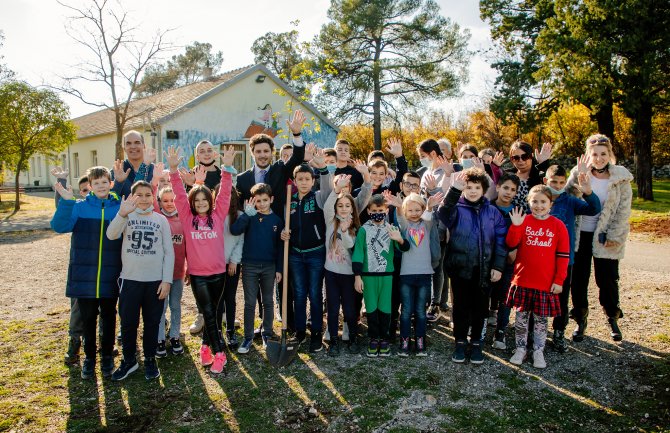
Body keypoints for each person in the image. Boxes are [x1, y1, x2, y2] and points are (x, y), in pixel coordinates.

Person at [167, 145, 237, 374]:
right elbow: (178, 193)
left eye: (204, 200)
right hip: (198, 275)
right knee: (207, 311)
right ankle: (220, 353)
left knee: (215, 313)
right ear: (192, 203)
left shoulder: (218, 216)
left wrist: (226, 168)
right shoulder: (187, 218)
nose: (200, 203)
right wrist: (174, 170)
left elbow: (225, 192)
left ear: (209, 200)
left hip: (218, 273)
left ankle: (205, 347)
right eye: (196, 201)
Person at [51, 166, 122, 380]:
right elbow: (59, 226)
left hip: (111, 276)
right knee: (89, 319)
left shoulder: (119, 208)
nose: (101, 186)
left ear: (111, 184)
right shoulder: (79, 207)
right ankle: (90, 358)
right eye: (96, 183)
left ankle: (107, 357)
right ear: (89, 187)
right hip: (85, 277)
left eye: (104, 182)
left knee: (109, 317)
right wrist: (66, 201)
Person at [566, 134, 632, 342]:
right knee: (579, 278)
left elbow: (623, 210)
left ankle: (612, 316)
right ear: (588, 155)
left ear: (609, 154)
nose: (599, 158)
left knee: (608, 278)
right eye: (595, 154)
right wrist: (580, 180)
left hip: (605, 234)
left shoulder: (620, 177)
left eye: (603, 154)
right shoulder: (578, 173)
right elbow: (566, 197)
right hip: (581, 233)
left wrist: (615, 235)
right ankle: (580, 317)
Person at [437, 169, 507, 364]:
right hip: (459, 268)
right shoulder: (456, 208)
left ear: (484, 190)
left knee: (480, 308)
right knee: (460, 307)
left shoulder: (493, 212)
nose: (473, 191)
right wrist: (453, 190)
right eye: (469, 187)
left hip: (483, 269)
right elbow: (443, 213)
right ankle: (459, 341)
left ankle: (477, 342)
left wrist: (498, 266)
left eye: (477, 187)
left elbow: (501, 241)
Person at [106, 181, 174, 381]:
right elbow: (111, 235)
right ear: (132, 196)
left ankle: (150, 358)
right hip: (130, 280)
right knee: (128, 322)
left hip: (155, 282)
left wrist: (167, 280)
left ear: (153, 196)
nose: (144, 199)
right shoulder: (127, 216)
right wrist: (122, 214)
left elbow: (169, 253)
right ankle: (129, 361)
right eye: (139, 195)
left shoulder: (161, 220)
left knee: (152, 322)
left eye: (147, 195)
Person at [506, 185, 570, 368]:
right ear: (529, 202)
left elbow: (564, 256)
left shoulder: (558, 226)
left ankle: (538, 351)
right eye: (535, 201)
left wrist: (559, 280)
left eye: (543, 202)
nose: (539, 205)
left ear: (551, 203)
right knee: (520, 319)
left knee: (541, 321)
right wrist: (516, 226)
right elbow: (511, 243)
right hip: (523, 280)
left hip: (545, 283)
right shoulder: (523, 221)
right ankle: (520, 349)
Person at [544, 163, 601, 352]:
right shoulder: (539, 199)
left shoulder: (569, 201)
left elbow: (593, 209)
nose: (558, 185)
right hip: (541, 257)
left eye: (561, 182)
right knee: (539, 296)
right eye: (554, 182)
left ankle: (559, 332)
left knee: (561, 298)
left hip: (564, 259)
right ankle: (536, 332)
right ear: (546, 181)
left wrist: (587, 191)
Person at [281, 150, 331, 352]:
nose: (303, 182)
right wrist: (284, 233)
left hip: (315, 253)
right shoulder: (289, 200)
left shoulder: (318, 197)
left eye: (307, 179)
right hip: (294, 254)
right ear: (294, 181)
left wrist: (324, 169)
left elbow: (328, 188)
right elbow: (286, 225)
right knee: (299, 294)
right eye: (299, 179)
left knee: (315, 294)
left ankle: (317, 332)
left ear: (312, 181)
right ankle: (300, 331)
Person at [352, 194, 410, 357]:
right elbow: (358, 254)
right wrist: (357, 276)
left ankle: (384, 339)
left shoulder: (391, 228)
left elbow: (404, 248)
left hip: (387, 276)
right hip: (368, 276)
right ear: (369, 211)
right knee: (371, 308)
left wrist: (399, 240)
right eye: (374, 210)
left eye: (381, 210)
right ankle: (373, 338)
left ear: (386, 210)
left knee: (385, 308)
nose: (378, 213)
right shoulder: (363, 230)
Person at [230, 183, 284, 354]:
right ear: (252, 201)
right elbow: (235, 229)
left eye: (265, 200)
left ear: (271, 200)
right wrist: (247, 214)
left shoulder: (277, 220)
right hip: (250, 266)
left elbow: (280, 247)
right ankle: (247, 338)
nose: (261, 204)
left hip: (269, 266)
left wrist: (279, 269)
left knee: (268, 301)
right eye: (258, 201)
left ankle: (267, 333)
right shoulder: (250, 217)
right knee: (249, 302)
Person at [323, 169, 372, 356]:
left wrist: (344, 231)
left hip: (349, 274)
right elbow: (328, 205)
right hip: (332, 272)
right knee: (333, 308)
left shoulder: (356, 228)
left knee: (350, 310)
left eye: (347, 206)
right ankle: (333, 340)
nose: (343, 209)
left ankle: (352, 337)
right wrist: (337, 190)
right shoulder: (330, 221)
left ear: (353, 208)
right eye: (340, 206)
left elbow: (350, 245)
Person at [51, 167, 93, 364]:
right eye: (83, 190)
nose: (87, 193)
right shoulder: (77, 208)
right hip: (81, 266)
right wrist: (61, 181)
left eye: (90, 189)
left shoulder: (104, 207)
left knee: (105, 306)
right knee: (78, 306)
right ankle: (75, 340)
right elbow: (64, 210)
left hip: (104, 265)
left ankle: (103, 342)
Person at [395, 192, 443, 357]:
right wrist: (397, 206)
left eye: (418, 210)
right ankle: (405, 340)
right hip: (406, 276)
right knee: (407, 310)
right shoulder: (405, 226)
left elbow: (429, 216)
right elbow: (400, 217)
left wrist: (429, 206)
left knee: (421, 311)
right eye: (410, 210)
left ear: (422, 210)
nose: (414, 213)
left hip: (424, 275)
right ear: (405, 211)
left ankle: (420, 340)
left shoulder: (427, 225)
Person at [152, 180, 187, 357]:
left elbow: (188, 246)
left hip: (178, 272)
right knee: (160, 307)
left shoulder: (183, 219)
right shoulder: (158, 218)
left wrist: (188, 268)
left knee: (175, 305)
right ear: (159, 202)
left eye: (172, 200)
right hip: (160, 274)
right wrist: (155, 182)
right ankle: (159, 339)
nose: (169, 203)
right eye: (165, 200)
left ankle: (174, 336)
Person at [490, 173, 520, 350]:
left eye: (513, 190)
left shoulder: (518, 212)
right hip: (488, 259)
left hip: (509, 261)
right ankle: (481, 326)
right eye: (506, 188)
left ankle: (500, 331)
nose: (509, 192)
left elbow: (521, 234)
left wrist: (515, 250)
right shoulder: (487, 207)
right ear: (498, 187)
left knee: (506, 297)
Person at [221, 186, 244, 350]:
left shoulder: (240, 216)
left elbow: (241, 241)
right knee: (217, 299)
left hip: (232, 265)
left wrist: (234, 261)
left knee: (230, 297)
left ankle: (230, 331)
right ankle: (216, 332)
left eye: (229, 195)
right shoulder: (213, 216)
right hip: (214, 265)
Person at [508, 141, 552, 214]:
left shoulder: (539, 174)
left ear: (531, 156)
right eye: (516, 158)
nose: (521, 161)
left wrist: (543, 164)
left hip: (536, 220)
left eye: (525, 157)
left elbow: (550, 187)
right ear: (512, 160)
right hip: (512, 221)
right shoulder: (507, 176)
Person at [111, 130, 155, 199]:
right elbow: (108, 200)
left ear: (144, 146)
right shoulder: (117, 171)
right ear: (124, 148)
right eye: (128, 143)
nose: (133, 146)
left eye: (137, 142)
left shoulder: (155, 170)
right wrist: (118, 182)